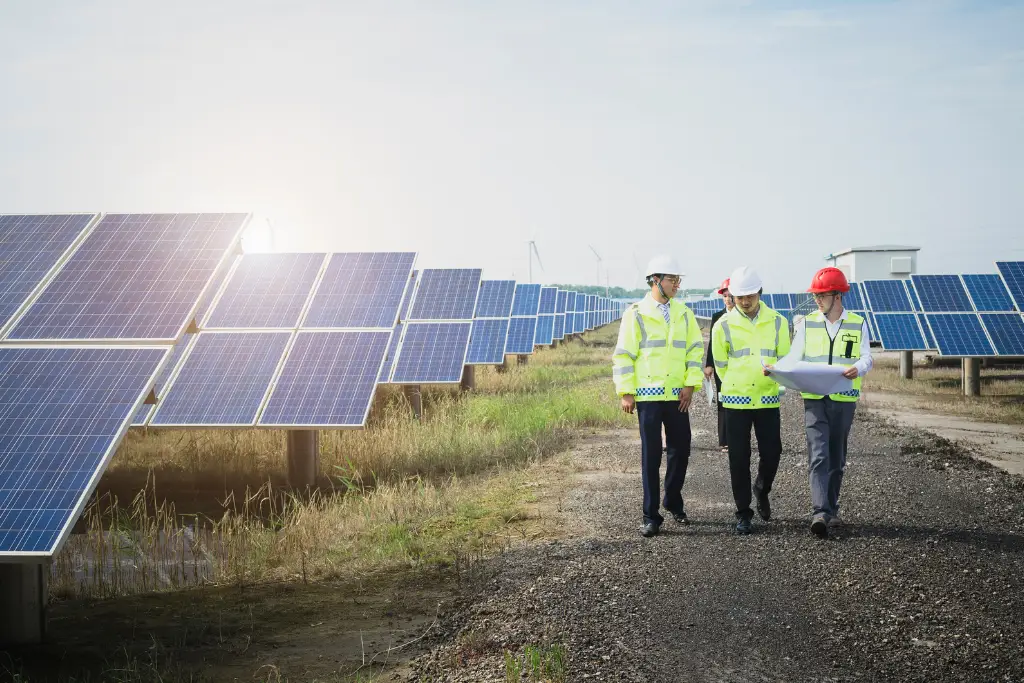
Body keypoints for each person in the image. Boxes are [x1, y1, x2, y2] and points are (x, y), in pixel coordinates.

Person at [776, 267, 872, 539]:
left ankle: (831, 508)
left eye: (822, 295)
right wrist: (775, 369)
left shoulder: (857, 323)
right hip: (814, 399)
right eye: (816, 295)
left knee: (836, 457)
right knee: (818, 454)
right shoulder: (806, 323)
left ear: (837, 296)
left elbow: (867, 356)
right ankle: (819, 512)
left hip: (844, 399)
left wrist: (859, 368)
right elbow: (794, 357)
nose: (817, 300)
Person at [612, 255, 705, 538]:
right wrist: (626, 391)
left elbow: (694, 351)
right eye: (672, 279)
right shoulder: (636, 313)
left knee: (682, 450)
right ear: (655, 280)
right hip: (649, 397)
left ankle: (672, 500)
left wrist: (690, 385)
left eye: (679, 280)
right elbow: (624, 354)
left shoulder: (684, 313)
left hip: (678, 395)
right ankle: (651, 515)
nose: (677, 284)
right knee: (651, 456)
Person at [710, 266, 790, 535]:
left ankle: (762, 488)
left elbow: (785, 358)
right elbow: (720, 364)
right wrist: (736, 382)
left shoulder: (778, 321)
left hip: (767, 398)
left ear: (760, 293)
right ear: (733, 296)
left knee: (772, 453)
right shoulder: (723, 325)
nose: (745, 302)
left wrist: (773, 373)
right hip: (735, 400)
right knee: (738, 459)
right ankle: (743, 512)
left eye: (749, 296)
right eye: (739, 297)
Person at [704, 278, 734, 451]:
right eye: (725, 296)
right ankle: (724, 440)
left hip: (737, 366)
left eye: (730, 296)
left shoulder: (743, 317)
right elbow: (712, 344)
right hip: (720, 366)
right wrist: (709, 365)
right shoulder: (717, 317)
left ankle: (737, 437)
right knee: (722, 402)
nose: (728, 299)